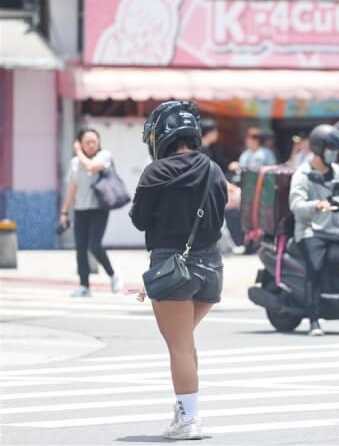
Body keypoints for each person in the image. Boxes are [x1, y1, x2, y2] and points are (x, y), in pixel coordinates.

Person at [129, 101, 228, 440]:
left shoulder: (155, 172)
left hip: (172, 267)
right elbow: (219, 218)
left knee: (180, 346)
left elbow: (139, 219)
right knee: (184, 341)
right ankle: (185, 410)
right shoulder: (213, 169)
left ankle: (189, 420)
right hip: (212, 268)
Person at [289, 124, 339, 336]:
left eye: (336, 150)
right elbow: (296, 205)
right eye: (330, 149)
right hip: (311, 231)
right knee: (315, 269)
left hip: (336, 231)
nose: (334, 154)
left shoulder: (338, 172)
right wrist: (316, 205)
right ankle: (314, 319)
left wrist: (337, 200)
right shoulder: (303, 174)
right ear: (318, 148)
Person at [60, 128, 121, 298]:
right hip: (80, 210)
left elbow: (91, 166)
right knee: (80, 249)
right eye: (87, 142)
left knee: (94, 245)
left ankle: (113, 275)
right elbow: (72, 189)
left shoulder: (104, 156)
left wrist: (78, 151)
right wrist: (64, 212)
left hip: (99, 210)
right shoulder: (74, 163)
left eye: (94, 141)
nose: (92, 145)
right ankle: (84, 286)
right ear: (80, 142)